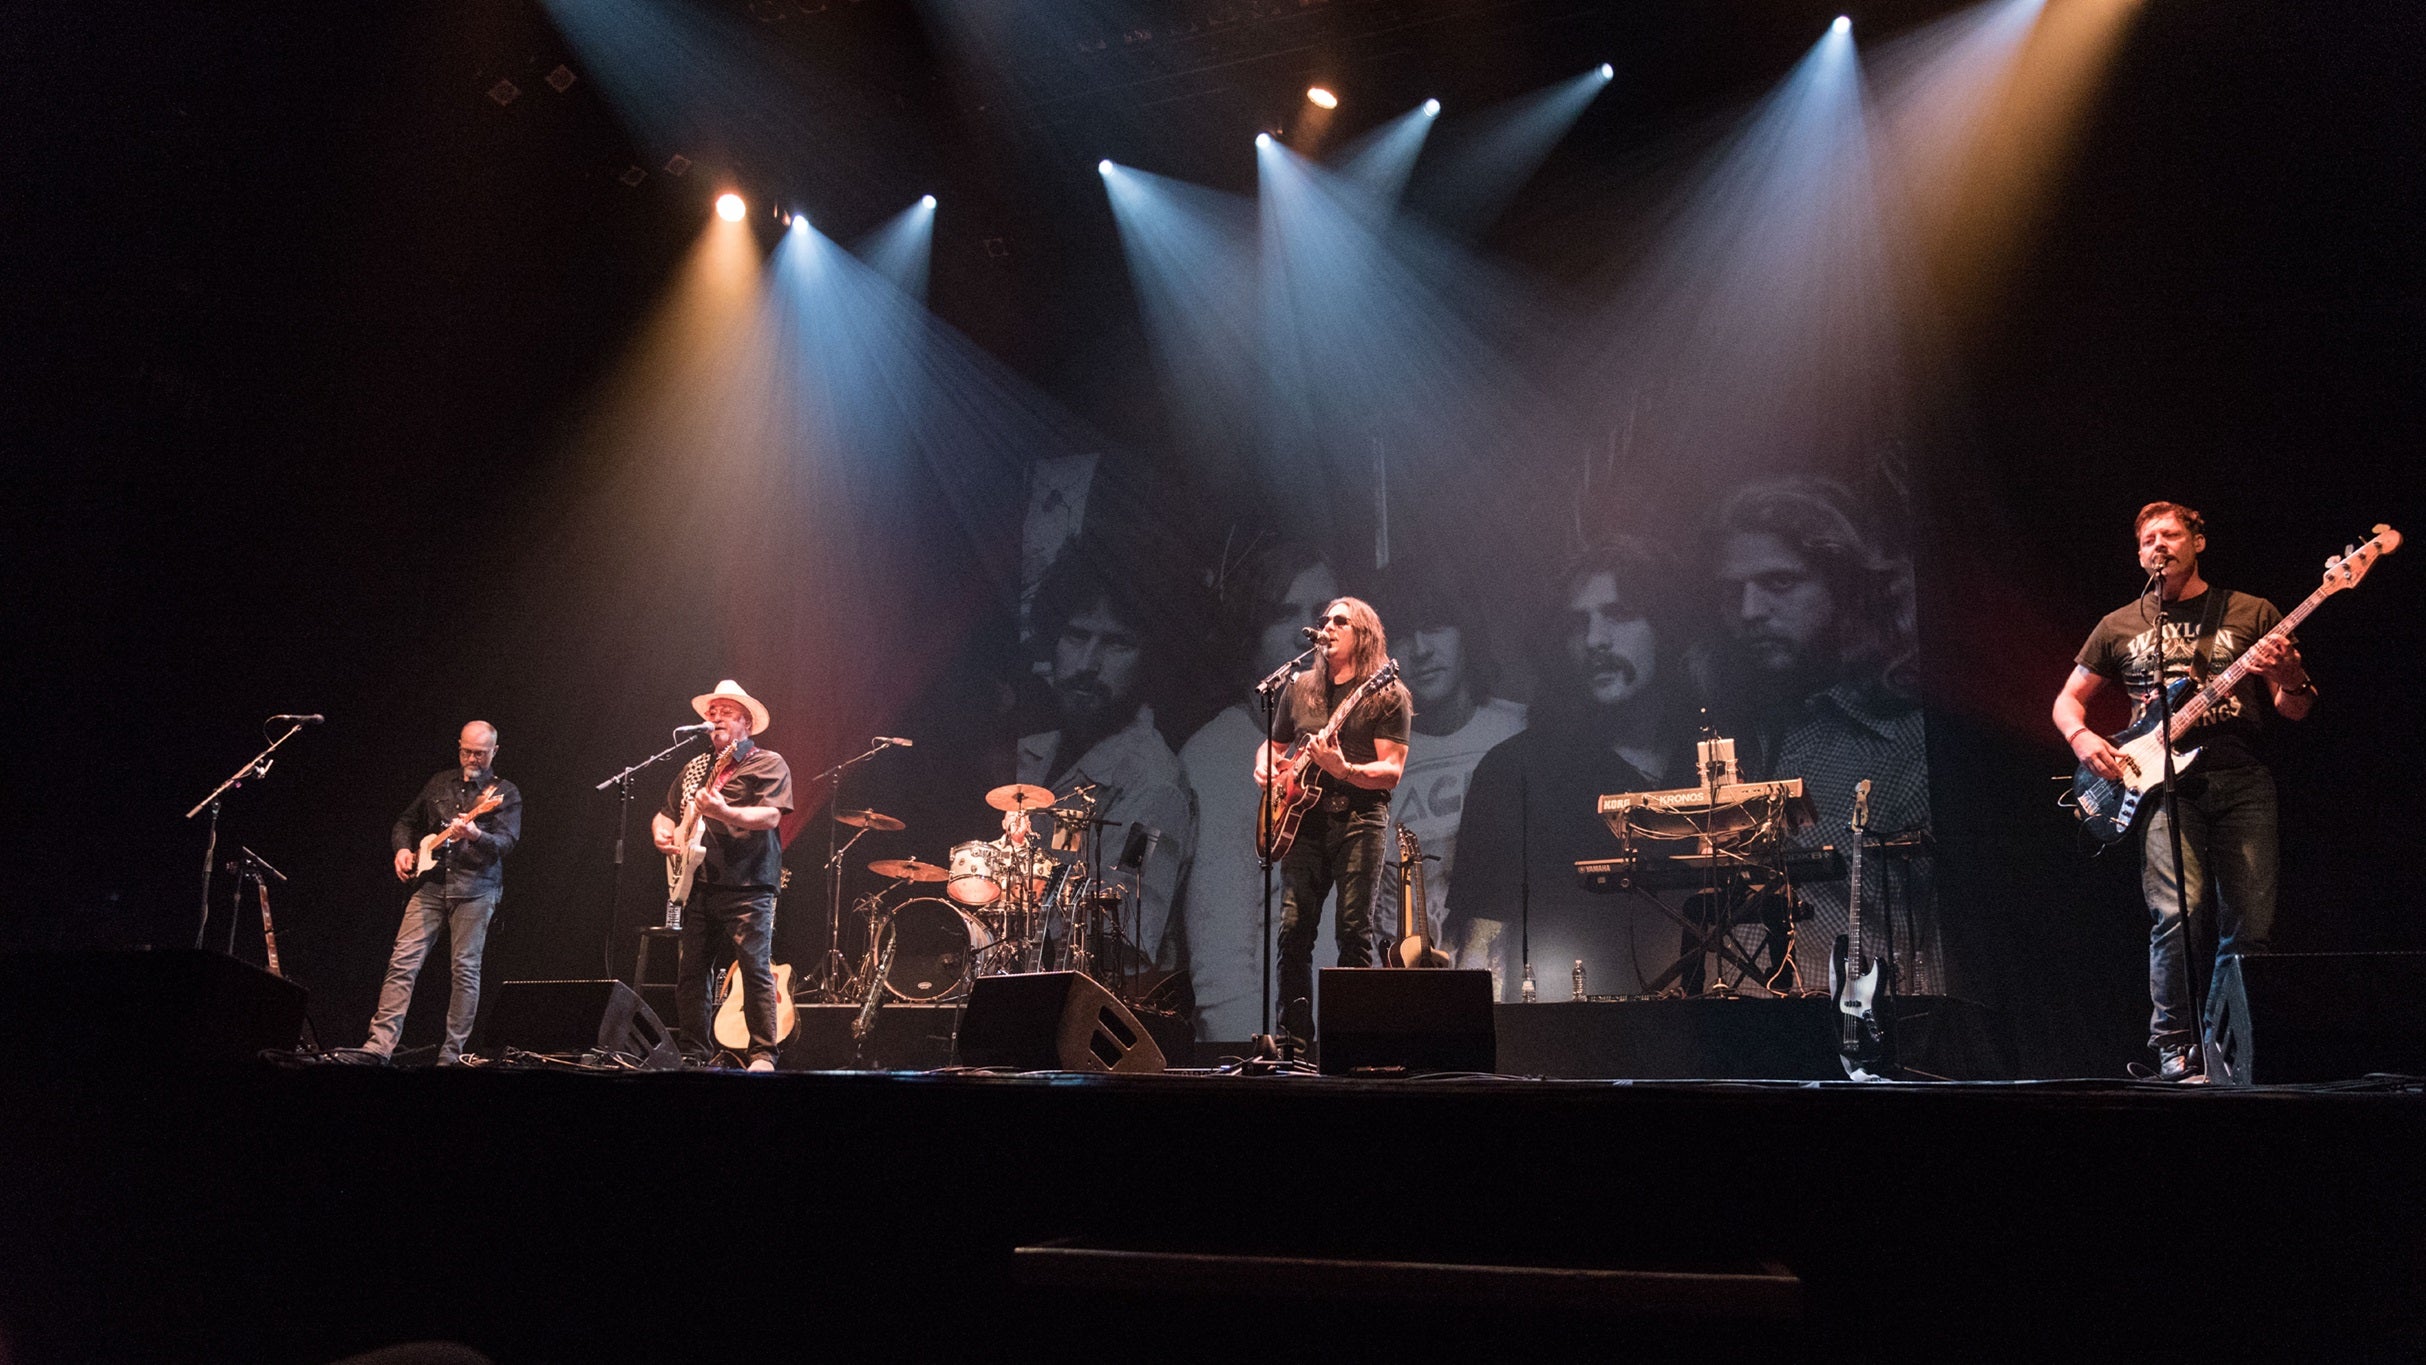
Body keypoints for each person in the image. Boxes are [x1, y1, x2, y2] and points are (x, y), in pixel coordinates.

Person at [2053, 502, 2313, 1081]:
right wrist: (2082, 738)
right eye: (2148, 539)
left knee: (2250, 925)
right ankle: (2173, 1046)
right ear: (2139, 553)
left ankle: (2226, 1045)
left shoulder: (2251, 611)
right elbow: (2067, 700)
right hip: (2161, 787)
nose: (2159, 545)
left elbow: (2294, 708)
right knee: (2178, 912)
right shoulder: (2119, 624)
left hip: (2241, 779)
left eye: (2170, 535)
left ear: (2198, 541)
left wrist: (2289, 675)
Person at [1701, 477, 1937, 997]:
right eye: (1732, 592)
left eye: (1780, 582)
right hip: (1741, 1033)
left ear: (1847, 585)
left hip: (1874, 1034)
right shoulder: (1734, 729)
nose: (1749, 610)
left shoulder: (1910, 743)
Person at [1444, 539, 1691, 1000]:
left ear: (1667, 626)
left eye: (1618, 614)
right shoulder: (1513, 772)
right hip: (1564, 1036)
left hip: (1704, 1035)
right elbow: (1480, 945)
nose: (1595, 639)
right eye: (1578, 624)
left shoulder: (1715, 757)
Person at [1180, 542, 1338, 1042]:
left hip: (1357, 1046)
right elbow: (1221, 971)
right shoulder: (1219, 756)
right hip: (1283, 1058)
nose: (1309, 633)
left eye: (1322, 614)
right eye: (1284, 614)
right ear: (1249, 633)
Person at [1015, 549, 1197, 981]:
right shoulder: (1031, 754)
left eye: (1117, 644)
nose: (1088, 664)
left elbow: (1123, 931)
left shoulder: (1155, 790)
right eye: (1077, 636)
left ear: (1150, 659)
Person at [1254, 596, 1411, 1042]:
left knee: (1353, 930)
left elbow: (1392, 771)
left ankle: (1351, 1041)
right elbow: (1273, 746)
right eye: (1325, 620)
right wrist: (1265, 766)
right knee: (1292, 930)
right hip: (1303, 821)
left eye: (1341, 621)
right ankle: (1293, 1041)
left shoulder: (1387, 693)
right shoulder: (1300, 687)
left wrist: (1343, 769)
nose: (1328, 627)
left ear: (1364, 634)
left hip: (1360, 818)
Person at [1374, 572, 1525, 959]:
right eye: (1402, 634)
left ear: (1466, 633)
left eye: (1435, 625)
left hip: (1515, 978)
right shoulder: (1366, 762)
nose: (1421, 649)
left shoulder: (1518, 731)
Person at [652, 680, 794, 1071]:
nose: (715, 718)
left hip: (748, 883)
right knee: (692, 973)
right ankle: (693, 1053)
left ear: (746, 723)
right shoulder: (697, 767)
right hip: (699, 883)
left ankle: (762, 1054)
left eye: (726, 712)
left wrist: (726, 813)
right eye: (711, 713)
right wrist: (662, 831)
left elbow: (771, 815)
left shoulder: (767, 762)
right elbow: (667, 812)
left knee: (754, 969)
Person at [366, 721, 523, 1064]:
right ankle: (379, 1046)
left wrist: (474, 835)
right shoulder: (440, 782)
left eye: (480, 753)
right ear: (459, 747)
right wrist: (402, 849)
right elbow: (406, 822)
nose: (472, 758)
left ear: (494, 751)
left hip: (476, 889)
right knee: (402, 962)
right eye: (467, 751)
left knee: (465, 970)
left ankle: (451, 1056)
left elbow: (506, 843)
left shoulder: (504, 792)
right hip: (431, 883)